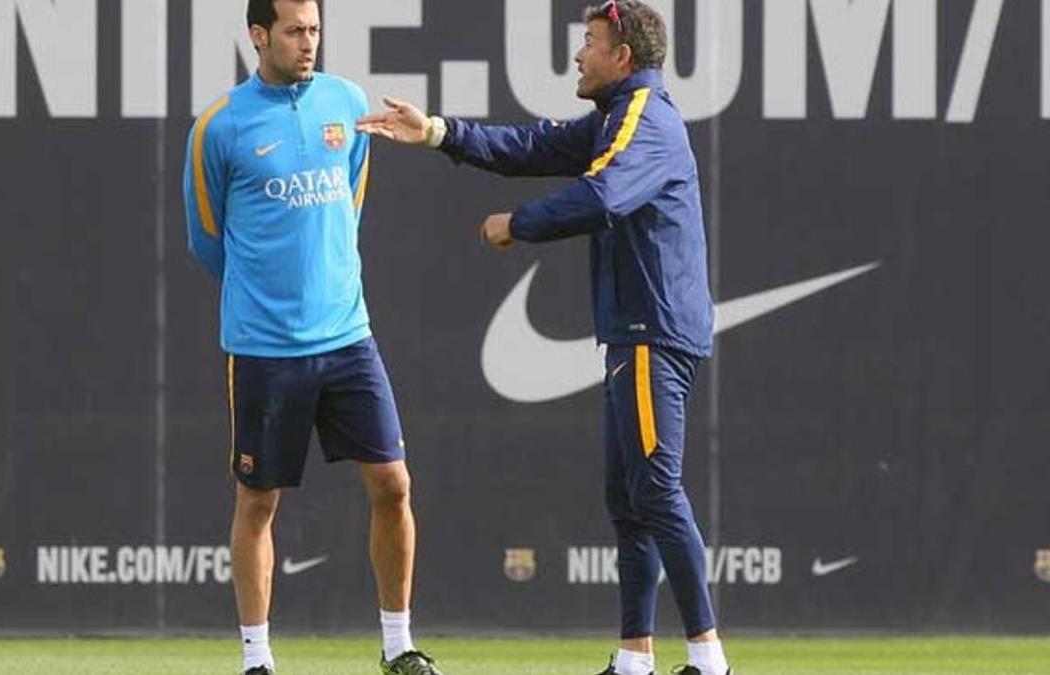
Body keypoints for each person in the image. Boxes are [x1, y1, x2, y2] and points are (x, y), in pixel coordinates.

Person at [356, 1, 731, 674]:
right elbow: (530, 148)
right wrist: (438, 131)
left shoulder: (645, 117)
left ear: (623, 55)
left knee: (657, 490)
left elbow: (602, 195)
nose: (577, 56)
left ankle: (709, 659)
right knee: (632, 500)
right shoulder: (617, 119)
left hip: (653, 330)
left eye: (589, 42)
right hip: (634, 330)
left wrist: (518, 224)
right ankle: (634, 657)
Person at [182, 1, 443, 673]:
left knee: (393, 484)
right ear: (259, 34)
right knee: (259, 500)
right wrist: (266, 299)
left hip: (348, 336)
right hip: (264, 347)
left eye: (316, 30)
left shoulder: (345, 102)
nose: (308, 43)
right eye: (295, 31)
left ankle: (397, 644)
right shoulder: (219, 126)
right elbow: (207, 240)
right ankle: (257, 658)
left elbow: (349, 200)